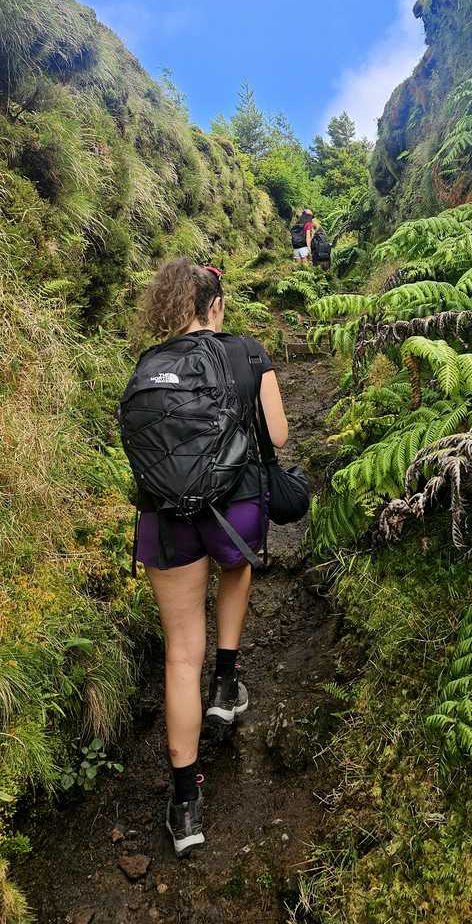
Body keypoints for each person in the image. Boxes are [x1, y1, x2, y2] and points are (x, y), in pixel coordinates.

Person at [132, 258, 289, 857]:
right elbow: (277, 435)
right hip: (235, 508)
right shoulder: (247, 352)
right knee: (237, 565)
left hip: (165, 522)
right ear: (216, 305)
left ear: (173, 306)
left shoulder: (151, 365)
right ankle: (226, 682)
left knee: (179, 653)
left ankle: (185, 807)